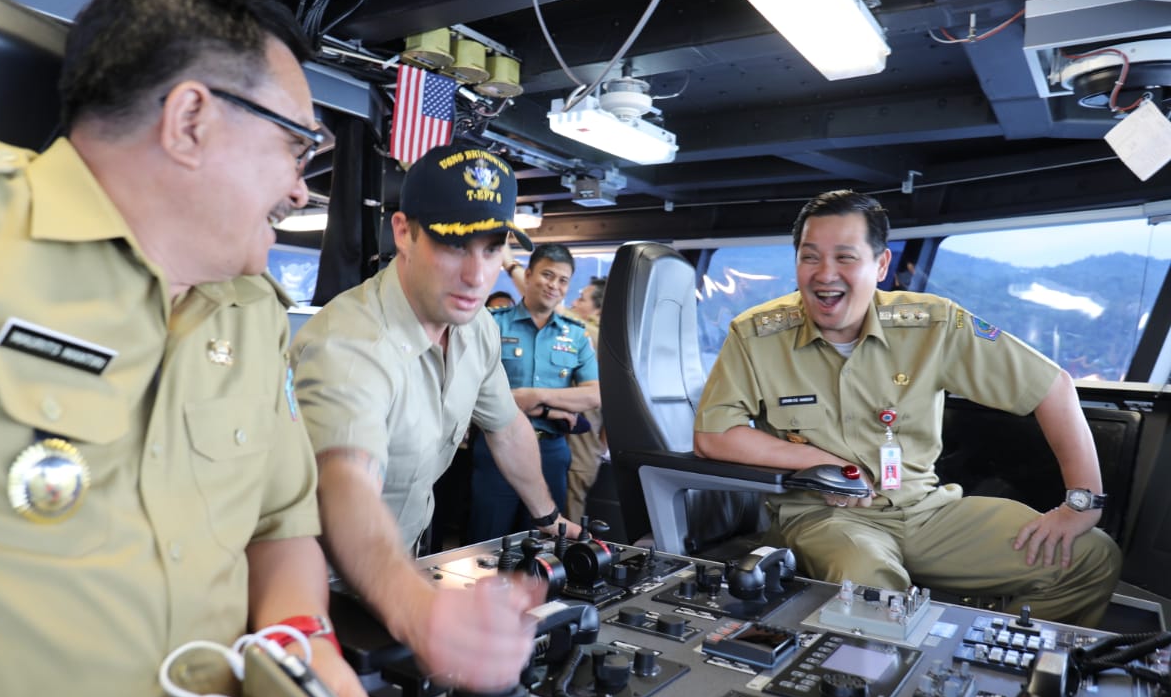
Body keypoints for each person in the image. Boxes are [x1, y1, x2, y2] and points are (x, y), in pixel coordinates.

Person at [0, 0, 402, 697]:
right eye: (296, 143)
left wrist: (301, 639)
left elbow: (281, 527)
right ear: (192, 120)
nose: (300, 187)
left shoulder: (252, 316)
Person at [693, 189, 1121, 628]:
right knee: (872, 585)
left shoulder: (933, 325)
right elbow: (713, 433)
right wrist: (818, 461)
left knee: (1089, 557)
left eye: (845, 257)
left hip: (925, 511)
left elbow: (1053, 387)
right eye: (810, 257)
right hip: (825, 516)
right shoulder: (756, 335)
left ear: (880, 266)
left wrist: (1082, 503)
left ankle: (987, 661)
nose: (825, 274)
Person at [289, 142, 579, 696]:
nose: (476, 275)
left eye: (493, 249)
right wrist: (423, 612)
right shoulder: (351, 345)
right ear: (404, 232)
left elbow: (506, 427)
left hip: (407, 563)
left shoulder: (476, 329)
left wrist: (548, 519)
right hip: (319, 588)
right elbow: (345, 483)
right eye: (452, 244)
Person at [469, 244, 600, 542]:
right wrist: (550, 409)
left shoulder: (575, 334)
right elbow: (474, 390)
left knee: (544, 546)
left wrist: (533, 397)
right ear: (528, 275)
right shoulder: (491, 323)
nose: (554, 285)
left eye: (563, 280)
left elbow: (594, 395)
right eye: (547, 275)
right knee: (487, 543)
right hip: (495, 447)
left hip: (551, 451)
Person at [564, 276, 608, 523]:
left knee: (567, 525)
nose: (573, 303)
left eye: (581, 299)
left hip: (579, 452)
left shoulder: (592, 336)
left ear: (598, 310)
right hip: (580, 450)